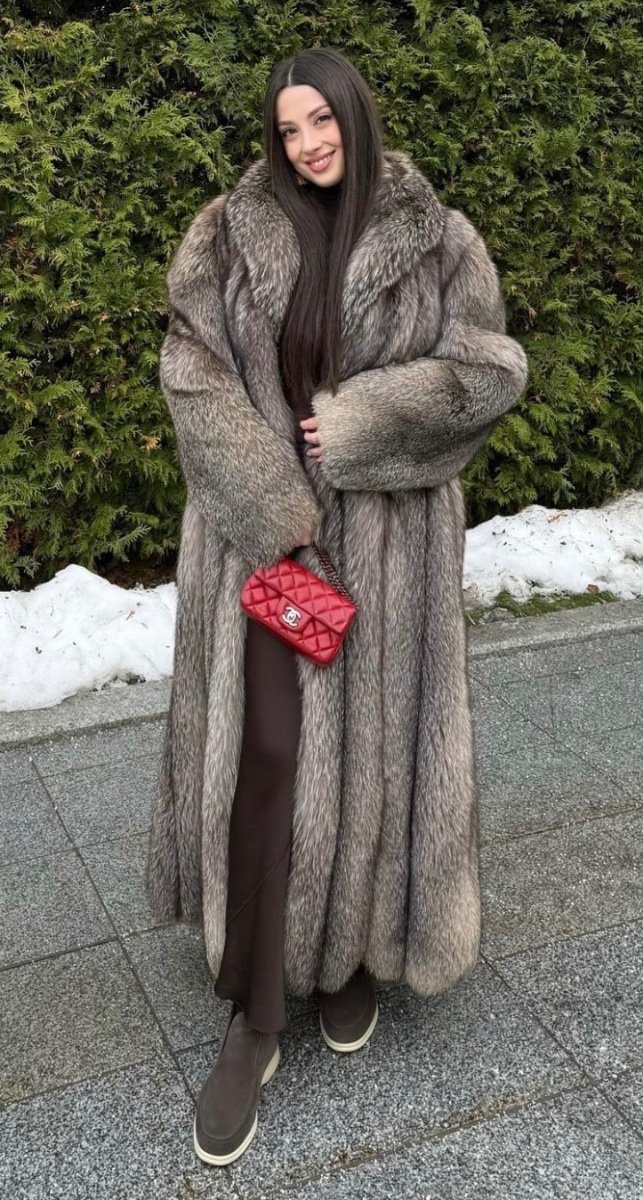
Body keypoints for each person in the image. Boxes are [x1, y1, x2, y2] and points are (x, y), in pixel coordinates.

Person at [145, 45, 529, 1167]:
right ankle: (254, 1011)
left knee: (378, 760)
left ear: (355, 117)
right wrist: (273, 503)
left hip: (393, 552)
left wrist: (367, 420)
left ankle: (349, 955)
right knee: (269, 760)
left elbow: (489, 371)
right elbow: (191, 371)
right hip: (272, 550)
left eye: (322, 120)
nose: (308, 143)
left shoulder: (438, 240)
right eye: (289, 128)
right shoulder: (226, 236)